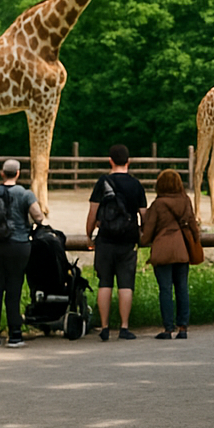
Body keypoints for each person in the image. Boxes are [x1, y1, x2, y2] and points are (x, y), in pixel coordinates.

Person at [86, 143, 147, 341]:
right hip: (128, 240)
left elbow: (92, 212)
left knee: (105, 283)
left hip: (105, 239)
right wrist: (142, 232)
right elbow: (144, 215)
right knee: (125, 284)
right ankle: (124, 327)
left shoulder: (102, 182)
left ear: (110, 161)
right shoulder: (136, 185)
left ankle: (104, 327)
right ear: (128, 162)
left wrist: (89, 235)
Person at [0, 158, 45, 348]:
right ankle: (15, 334)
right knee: (14, 289)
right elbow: (39, 216)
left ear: (2, 173)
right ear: (18, 174)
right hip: (19, 246)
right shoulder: (25, 194)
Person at [140, 168, 202, 339]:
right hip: (182, 249)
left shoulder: (158, 204)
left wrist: (142, 237)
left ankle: (168, 328)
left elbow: (147, 234)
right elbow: (193, 227)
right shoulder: (185, 201)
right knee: (182, 288)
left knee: (165, 290)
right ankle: (183, 327)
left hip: (162, 251)